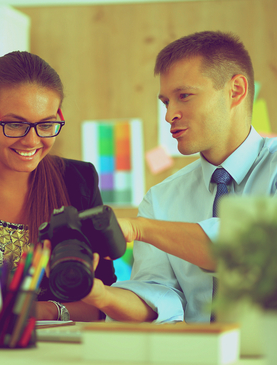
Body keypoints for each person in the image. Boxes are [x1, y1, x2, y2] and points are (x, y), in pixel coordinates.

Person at [82, 30, 277, 323]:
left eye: (184, 96)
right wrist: (100, 296)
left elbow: (245, 249)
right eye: (165, 102)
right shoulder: (161, 199)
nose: (169, 114)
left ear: (235, 90)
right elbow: (159, 296)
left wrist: (139, 229)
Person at [0, 50, 116, 321]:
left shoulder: (78, 180)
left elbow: (103, 299)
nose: (31, 141)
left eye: (46, 124)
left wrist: (33, 311)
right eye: (15, 124)